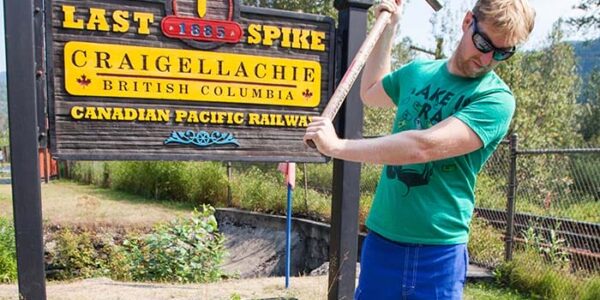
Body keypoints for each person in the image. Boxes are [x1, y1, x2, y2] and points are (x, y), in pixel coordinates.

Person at [303, 0, 535, 298]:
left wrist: (338, 146)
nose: (487, 59)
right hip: (383, 241)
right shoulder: (418, 72)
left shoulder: (495, 99)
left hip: (439, 253)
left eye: (502, 53)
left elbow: (423, 147)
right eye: (483, 43)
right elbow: (371, 92)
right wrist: (390, 28)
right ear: (467, 22)